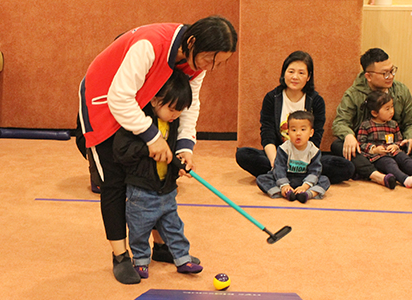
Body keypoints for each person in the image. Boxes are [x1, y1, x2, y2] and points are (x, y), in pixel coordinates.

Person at [76, 16, 237, 284]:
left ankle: (161, 247)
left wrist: (185, 146)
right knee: (114, 181)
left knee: (151, 172)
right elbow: (119, 97)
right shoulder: (150, 46)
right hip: (104, 97)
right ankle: (120, 256)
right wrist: (151, 137)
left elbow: (190, 104)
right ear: (193, 42)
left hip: (136, 100)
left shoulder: (198, 61)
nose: (211, 67)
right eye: (210, 59)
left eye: (220, 63)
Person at [113, 69, 203, 279]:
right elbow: (121, 151)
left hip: (167, 190)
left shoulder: (173, 122)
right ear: (154, 100)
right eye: (172, 109)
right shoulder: (138, 122)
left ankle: (182, 259)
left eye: (180, 111)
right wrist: (148, 149)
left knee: (174, 227)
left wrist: (179, 165)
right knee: (139, 229)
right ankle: (141, 261)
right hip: (141, 192)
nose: (175, 115)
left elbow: (170, 155)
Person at [235, 51, 354, 184]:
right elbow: (267, 132)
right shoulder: (272, 98)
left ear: (309, 77)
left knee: (346, 167)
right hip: (280, 154)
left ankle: (285, 176)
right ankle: (297, 176)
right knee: (243, 154)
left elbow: (316, 135)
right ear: (284, 73)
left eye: (301, 73)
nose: (295, 77)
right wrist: (276, 162)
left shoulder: (316, 101)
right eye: (291, 71)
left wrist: (304, 161)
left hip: (306, 157)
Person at [331, 48, 412, 189]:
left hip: (392, 147)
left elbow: (410, 122)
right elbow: (340, 122)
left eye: (392, 70)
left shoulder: (401, 91)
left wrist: (409, 138)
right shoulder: (353, 94)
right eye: (385, 73)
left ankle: (374, 170)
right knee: (338, 145)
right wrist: (349, 135)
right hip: (366, 148)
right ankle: (378, 175)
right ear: (368, 76)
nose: (391, 76)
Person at [256, 110, 331, 203]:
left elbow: (315, 171)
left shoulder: (314, 151)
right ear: (288, 132)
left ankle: (308, 194)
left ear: (311, 133)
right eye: (294, 130)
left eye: (303, 130)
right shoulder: (284, 148)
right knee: (262, 179)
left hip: (304, 178)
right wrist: (284, 185)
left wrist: (305, 186)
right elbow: (279, 168)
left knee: (324, 180)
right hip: (287, 176)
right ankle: (284, 192)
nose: (298, 133)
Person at [357, 91, 412, 189]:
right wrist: (374, 149)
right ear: (374, 113)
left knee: (404, 158)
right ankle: (405, 179)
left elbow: (399, 140)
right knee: (390, 163)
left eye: (392, 107)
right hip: (378, 156)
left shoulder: (393, 124)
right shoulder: (366, 125)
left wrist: (396, 145)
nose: (391, 111)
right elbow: (360, 143)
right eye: (387, 109)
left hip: (393, 152)